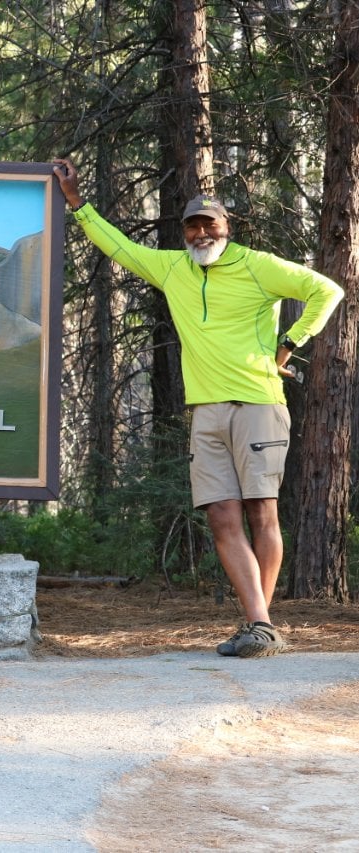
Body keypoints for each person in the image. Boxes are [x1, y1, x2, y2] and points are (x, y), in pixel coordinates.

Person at [52, 157, 344, 658]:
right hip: (206, 412)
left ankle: (259, 623)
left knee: (262, 512)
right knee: (221, 518)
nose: (201, 232)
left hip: (257, 402)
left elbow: (327, 289)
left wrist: (289, 343)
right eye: (192, 225)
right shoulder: (173, 269)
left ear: (227, 227)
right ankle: (261, 623)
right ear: (185, 232)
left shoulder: (257, 265)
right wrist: (77, 202)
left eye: (210, 223)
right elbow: (120, 247)